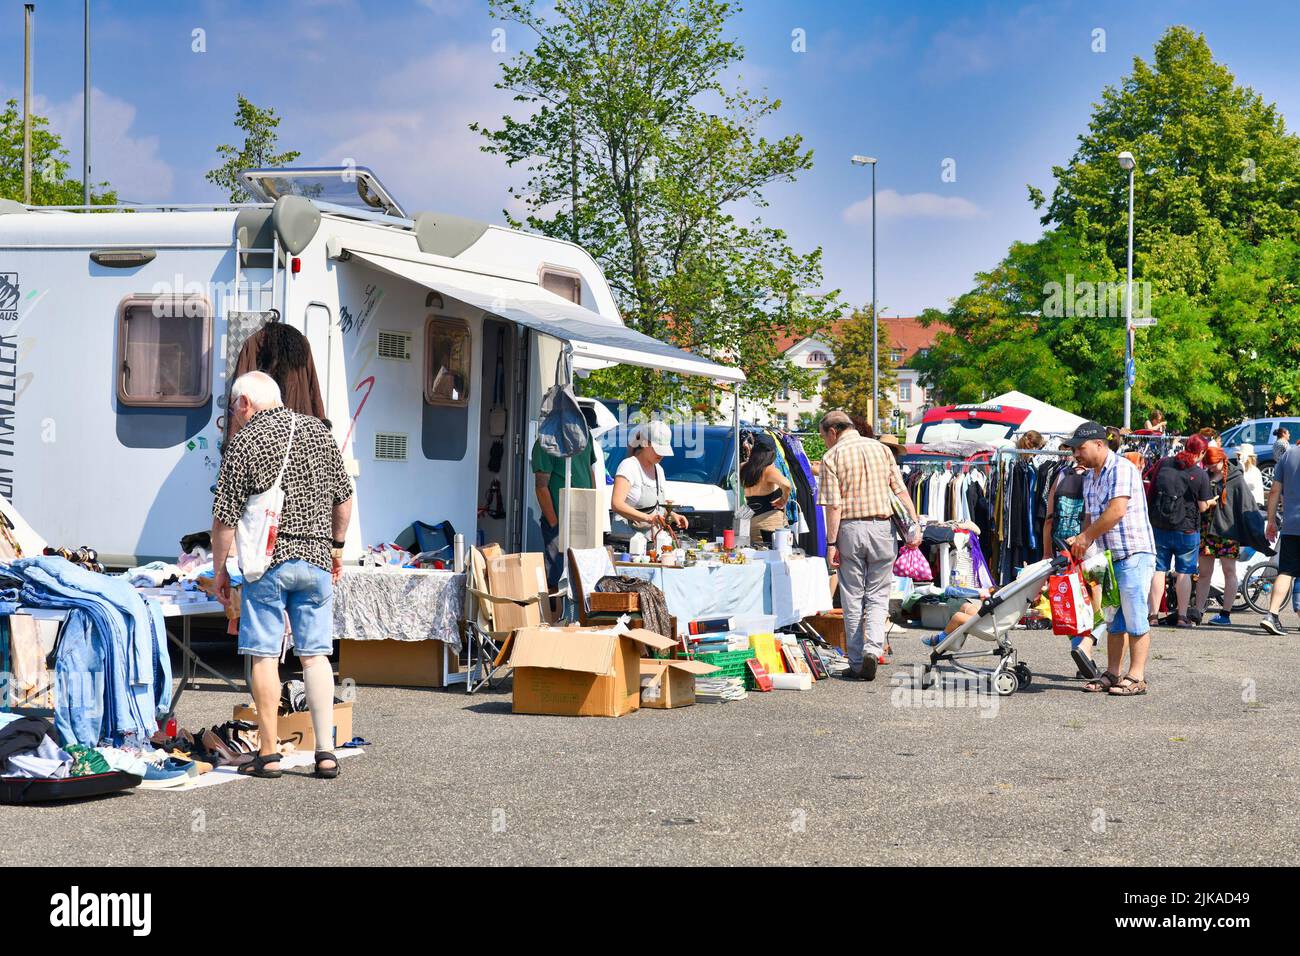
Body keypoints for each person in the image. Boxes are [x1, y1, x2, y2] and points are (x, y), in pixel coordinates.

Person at [211, 371, 354, 779]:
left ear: (244, 404)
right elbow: (344, 500)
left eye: (234, 410)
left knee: (264, 654)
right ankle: (325, 752)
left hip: (266, 564)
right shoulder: (317, 432)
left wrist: (221, 568)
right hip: (315, 560)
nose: (235, 418)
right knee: (315, 656)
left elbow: (224, 518)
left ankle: (269, 754)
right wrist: (337, 548)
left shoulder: (245, 442)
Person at [817, 410, 920, 681]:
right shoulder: (881, 450)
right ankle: (874, 648)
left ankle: (856, 660)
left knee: (852, 596)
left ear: (832, 432)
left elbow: (834, 506)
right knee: (877, 594)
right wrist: (914, 524)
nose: (826, 442)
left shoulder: (832, 457)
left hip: (851, 529)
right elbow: (900, 491)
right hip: (883, 529)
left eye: (824, 437)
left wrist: (830, 543)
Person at [1061, 421, 1156, 697]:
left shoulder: (1122, 468)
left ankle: (1136, 676)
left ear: (1100, 444)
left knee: (1136, 616)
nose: (1076, 454)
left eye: (1080, 448)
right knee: (1114, 618)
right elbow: (1091, 517)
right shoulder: (1090, 476)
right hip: (1109, 557)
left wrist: (1085, 537)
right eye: (1074, 449)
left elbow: (1116, 511)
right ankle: (1113, 673)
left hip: (1134, 553)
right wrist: (1080, 541)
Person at [1146, 434, 1214, 627]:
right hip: (1187, 529)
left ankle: (1153, 615)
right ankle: (1182, 616)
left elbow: (1151, 491)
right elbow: (1202, 507)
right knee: (1184, 571)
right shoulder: (1200, 474)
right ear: (1201, 452)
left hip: (1159, 525)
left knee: (1159, 570)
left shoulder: (1164, 463)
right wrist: (1210, 502)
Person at [1043, 459, 1102, 678]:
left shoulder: (1060, 476)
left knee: (1072, 602)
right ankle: (1086, 646)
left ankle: (1081, 650)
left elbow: (1049, 519)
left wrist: (1047, 553)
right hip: (1091, 546)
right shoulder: (1096, 476)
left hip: (1062, 548)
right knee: (1103, 601)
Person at [228, 322, 327, 441]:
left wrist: (233, 438)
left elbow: (240, 389)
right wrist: (321, 423)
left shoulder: (253, 344)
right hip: (300, 428)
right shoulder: (300, 343)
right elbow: (313, 386)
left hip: (263, 433)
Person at [531, 420, 598, 589]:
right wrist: (555, 523)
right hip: (560, 521)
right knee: (557, 577)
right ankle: (557, 614)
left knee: (584, 577)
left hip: (583, 518)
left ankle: (577, 614)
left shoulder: (585, 435)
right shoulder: (547, 441)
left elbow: (589, 470)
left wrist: (593, 505)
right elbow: (541, 486)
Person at [1193, 447, 1245, 626]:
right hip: (1207, 529)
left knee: (1229, 571)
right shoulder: (1204, 476)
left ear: (1222, 460)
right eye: (1207, 465)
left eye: (1213, 465)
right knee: (1204, 573)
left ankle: (1225, 614)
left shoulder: (1236, 477)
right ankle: (1198, 612)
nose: (1210, 468)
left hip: (1227, 531)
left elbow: (1244, 504)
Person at [611, 421, 689, 536]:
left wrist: (672, 515)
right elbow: (616, 504)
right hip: (627, 542)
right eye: (657, 449)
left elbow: (656, 506)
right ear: (644, 443)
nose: (661, 455)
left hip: (650, 540)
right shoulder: (628, 466)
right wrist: (648, 518)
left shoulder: (659, 470)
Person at [1262, 442, 1300, 634]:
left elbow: (1274, 491)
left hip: (1292, 525)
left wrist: (1271, 520)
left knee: (1286, 571)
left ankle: (1272, 614)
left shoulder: (1288, 456)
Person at [741, 438, 793, 538]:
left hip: (748, 520)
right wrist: (783, 500)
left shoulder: (742, 467)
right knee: (776, 552)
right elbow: (786, 484)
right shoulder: (769, 470)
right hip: (770, 521)